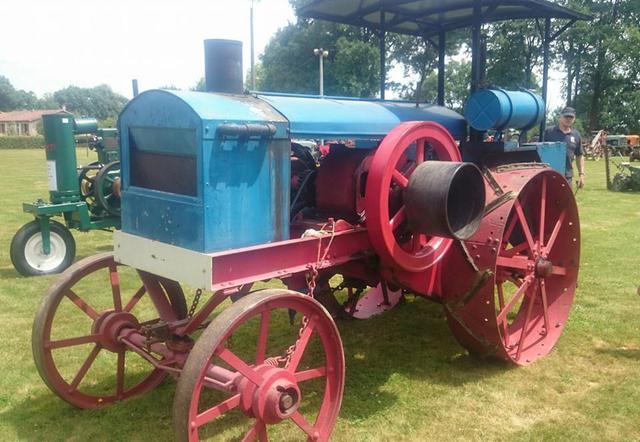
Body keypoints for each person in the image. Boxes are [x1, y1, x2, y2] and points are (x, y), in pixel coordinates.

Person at [543, 106, 585, 188]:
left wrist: (581, 174)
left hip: (567, 176)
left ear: (574, 119)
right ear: (560, 117)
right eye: (566, 116)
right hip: (548, 174)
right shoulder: (549, 132)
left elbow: (579, 155)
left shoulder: (576, 135)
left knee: (566, 200)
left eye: (571, 117)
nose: (568, 119)